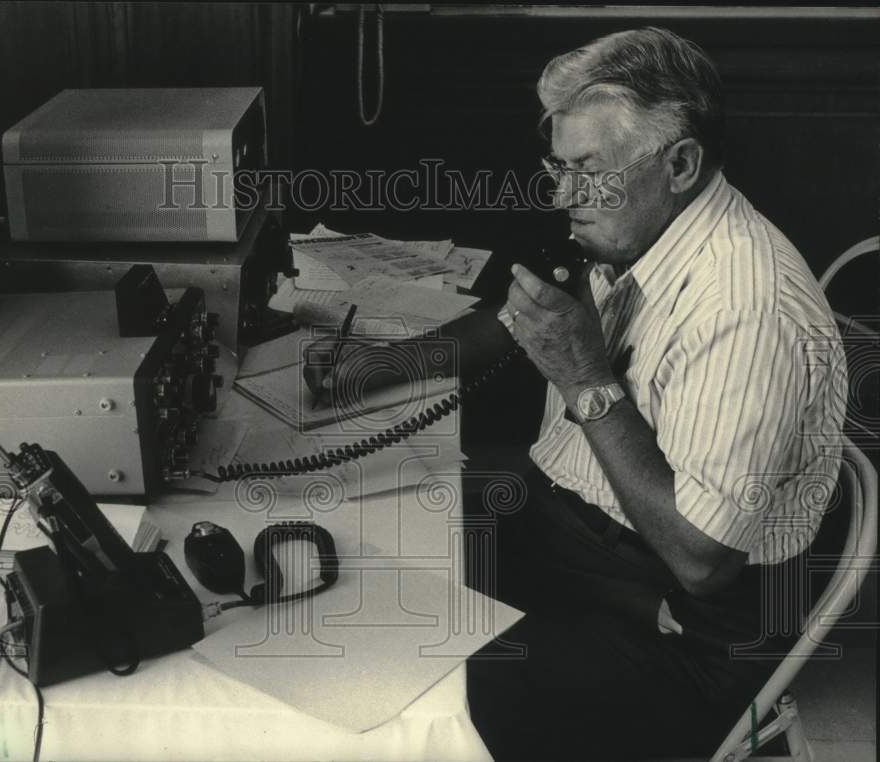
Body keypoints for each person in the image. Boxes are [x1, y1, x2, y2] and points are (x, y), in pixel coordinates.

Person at [303, 27, 847, 759]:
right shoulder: (637, 227)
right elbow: (511, 323)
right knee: (353, 532)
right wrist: (370, 370)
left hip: (686, 630)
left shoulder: (747, 311)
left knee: (399, 679)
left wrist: (586, 377)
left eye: (587, 170)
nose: (563, 194)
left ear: (680, 163)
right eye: (558, 167)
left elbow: (703, 561)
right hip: (578, 533)